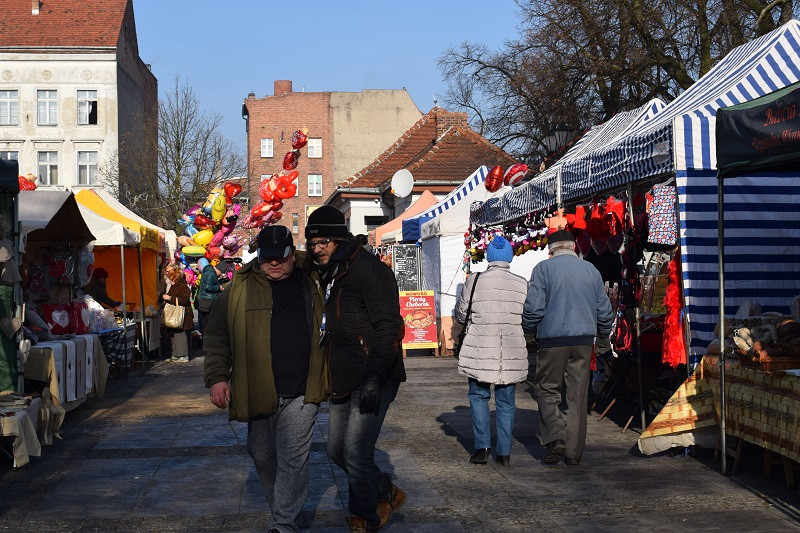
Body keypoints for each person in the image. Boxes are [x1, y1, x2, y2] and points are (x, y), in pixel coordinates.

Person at [203, 225, 327, 533]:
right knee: (261, 454)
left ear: (292, 253)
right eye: (266, 258)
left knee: (292, 456)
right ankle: (285, 512)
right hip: (257, 388)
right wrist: (217, 377)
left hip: (302, 389)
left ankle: (283, 524)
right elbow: (217, 335)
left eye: (280, 258)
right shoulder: (240, 286)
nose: (273, 264)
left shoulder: (312, 276)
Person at [305, 205, 407, 533]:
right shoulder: (332, 270)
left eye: (322, 242)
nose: (316, 249)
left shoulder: (370, 271)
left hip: (374, 374)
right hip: (343, 375)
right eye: (312, 243)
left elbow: (390, 327)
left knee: (355, 449)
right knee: (336, 450)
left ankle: (365, 518)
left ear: (338, 238)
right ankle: (384, 490)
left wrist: (376, 378)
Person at [522, 229, 614, 465]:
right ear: (573, 247)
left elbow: (534, 308)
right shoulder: (591, 270)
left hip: (552, 341)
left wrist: (529, 331)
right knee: (577, 397)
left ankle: (555, 437)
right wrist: (603, 337)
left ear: (551, 250)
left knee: (546, 389)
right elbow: (604, 309)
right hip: (584, 340)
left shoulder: (543, 269)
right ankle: (574, 453)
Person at [455, 236, 528, 466]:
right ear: (509, 257)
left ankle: (482, 448)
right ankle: (504, 453)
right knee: (506, 401)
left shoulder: (474, 280)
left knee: (478, 396)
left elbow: (461, 314)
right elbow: (528, 317)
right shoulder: (522, 283)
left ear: (489, 257)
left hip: (479, 349)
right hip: (510, 351)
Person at [162, 263, 193, 362]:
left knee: (180, 334)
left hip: (182, 314)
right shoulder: (173, 285)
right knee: (174, 334)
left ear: (173, 273)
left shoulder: (182, 285)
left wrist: (170, 298)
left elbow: (185, 300)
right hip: (174, 314)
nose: (166, 273)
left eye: (167, 271)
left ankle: (183, 355)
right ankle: (176, 354)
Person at [195, 263, 222, 334]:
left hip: (205, 300)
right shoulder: (211, 274)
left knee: (205, 322)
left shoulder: (207, 272)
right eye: (221, 272)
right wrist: (218, 287)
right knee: (208, 322)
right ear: (218, 270)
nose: (221, 274)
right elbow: (208, 287)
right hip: (209, 301)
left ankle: (206, 338)